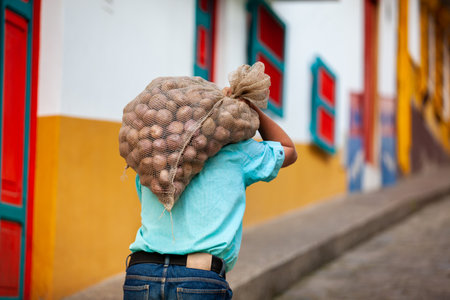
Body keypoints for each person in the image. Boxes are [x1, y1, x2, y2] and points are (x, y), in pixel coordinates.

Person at [123, 91, 297, 300]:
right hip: (198, 279)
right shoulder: (237, 152)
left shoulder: (152, 159)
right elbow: (288, 150)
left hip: (141, 275)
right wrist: (254, 110)